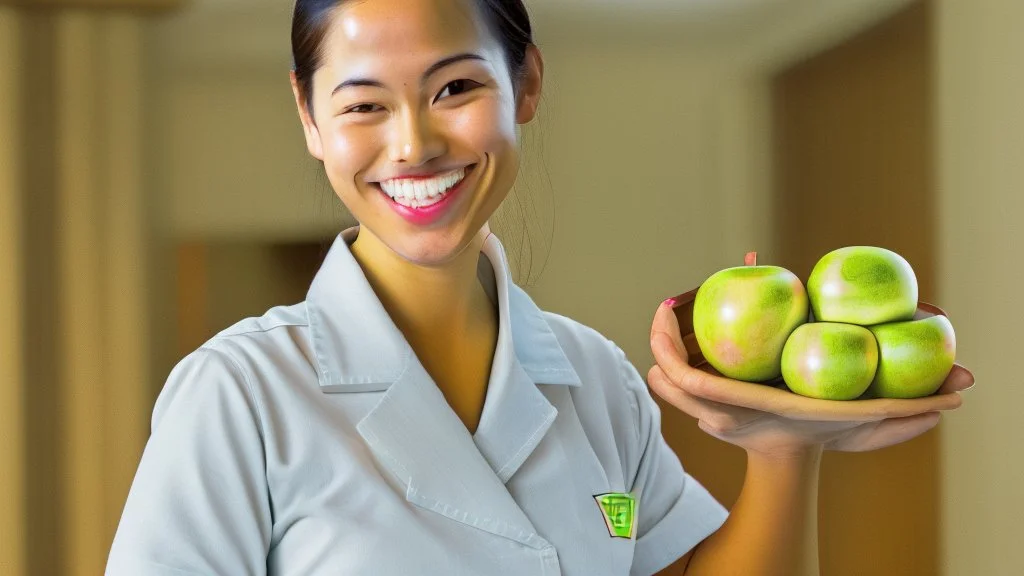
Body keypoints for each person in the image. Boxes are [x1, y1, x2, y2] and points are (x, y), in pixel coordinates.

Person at [106, 1, 975, 574]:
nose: (412, 146)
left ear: (526, 84)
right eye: (364, 104)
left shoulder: (595, 381)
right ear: (308, 116)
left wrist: (784, 448)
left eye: (456, 87)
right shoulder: (238, 396)